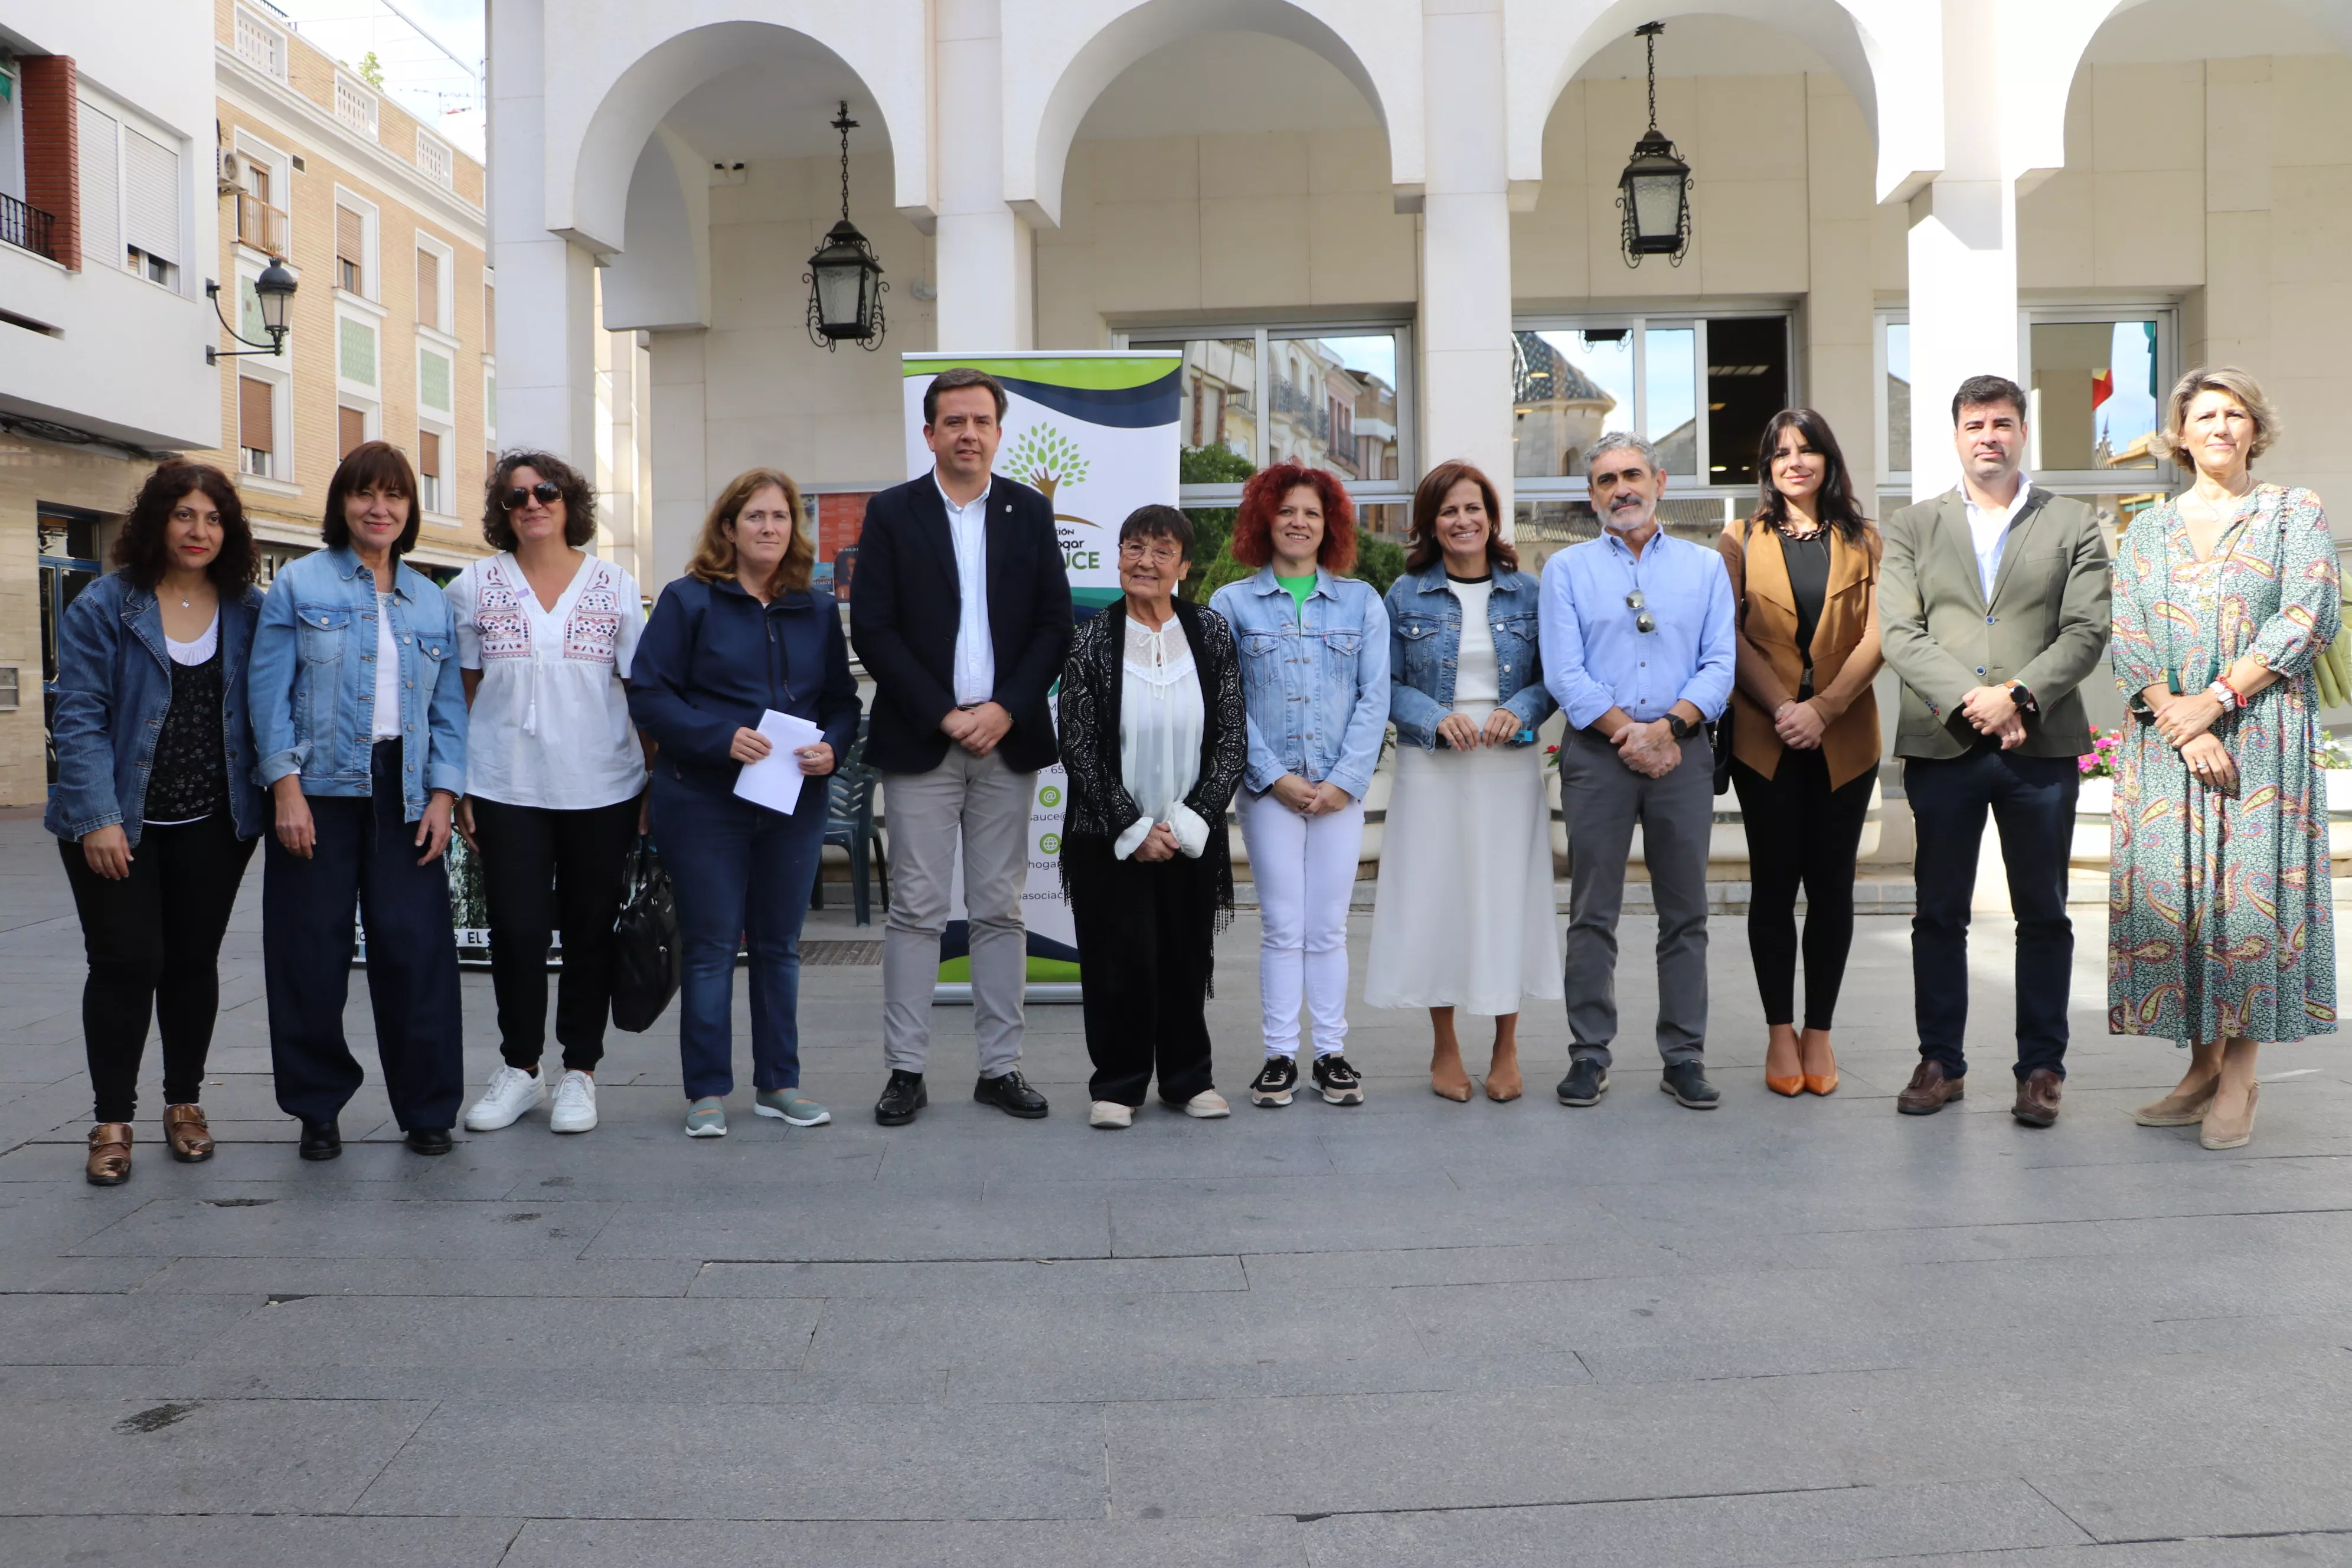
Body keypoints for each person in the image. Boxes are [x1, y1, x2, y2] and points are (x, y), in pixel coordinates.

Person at [2111, 367, 2337, 1151]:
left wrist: (2219, 701)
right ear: (2179, 434)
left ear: (2254, 429)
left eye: (2234, 414)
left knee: (2247, 907)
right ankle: (2201, 1067)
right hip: (2172, 745)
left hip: (2264, 738)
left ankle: (2240, 1078)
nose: (2220, 427)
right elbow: (2129, 634)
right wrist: (2187, 722)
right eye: (2204, 415)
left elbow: (2309, 617)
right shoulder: (2146, 529)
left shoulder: (2291, 512)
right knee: (2183, 905)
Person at [1879, 374, 2111, 1126]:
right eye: (1976, 424)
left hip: (2038, 746)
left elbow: (2086, 630)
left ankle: (2041, 1068)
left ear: (2022, 432)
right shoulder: (1911, 526)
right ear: (1955, 435)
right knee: (1938, 911)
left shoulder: (2072, 522)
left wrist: (2016, 696)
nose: (1990, 436)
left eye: (2003, 423)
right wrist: (1972, 701)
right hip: (1944, 745)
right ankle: (1940, 1061)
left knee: (2042, 911)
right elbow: (1900, 634)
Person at [848, 367, 1073, 1127]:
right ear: (930, 434)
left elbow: (1054, 626)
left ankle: (1000, 1067)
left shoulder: (1029, 512)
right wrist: (947, 714)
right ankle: (906, 1070)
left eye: (981, 421)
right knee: (915, 907)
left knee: (999, 909)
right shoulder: (891, 513)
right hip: (923, 739)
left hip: (1007, 741)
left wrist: (1005, 709)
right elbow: (872, 628)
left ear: (999, 433)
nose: (969, 433)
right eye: (954, 422)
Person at [48, 462, 267, 1184]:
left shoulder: (249, 609)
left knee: (191, 964)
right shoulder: (106, 605)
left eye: (213, 518)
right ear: (157, 523)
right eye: (184, 515)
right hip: (118, 824)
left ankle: (185, 1103)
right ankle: (111, 1119)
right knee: (125, 962)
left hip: (215, 821)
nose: (199, 531)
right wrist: (99, 817)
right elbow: (77, 715)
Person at [249, 442, 467, 1159]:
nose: (381, 509)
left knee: (419, 953)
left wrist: (442, 793)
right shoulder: (300, 585)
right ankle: (318, 1108)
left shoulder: (430, 597)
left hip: (404, 790)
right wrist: (285, 788)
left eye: (396, 496)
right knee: (308, 952)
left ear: (410, 509)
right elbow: (267, 695)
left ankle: (428, 1108)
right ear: (342, 503)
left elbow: (446, 715)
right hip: (317, 790)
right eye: (366, 494)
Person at [628, 469, 860, 1138]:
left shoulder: (814, 608)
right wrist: (718, 737)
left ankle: (778, 1084)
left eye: (781, 517)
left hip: (791, 799)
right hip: (701, 800)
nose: (769, 528)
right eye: (755, 516)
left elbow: (842, 704)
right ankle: (705, 1090)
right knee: (708, 947)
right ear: (727, 528)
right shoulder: (687, 600)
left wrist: (835, 749)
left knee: (781, 946)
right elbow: (649, 694)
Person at [447, 451, 648, 1138]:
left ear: (571, 503)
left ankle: (580, 1072)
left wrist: (651, 788)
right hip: (507, 784)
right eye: (516, 497)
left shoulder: (615, 585)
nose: (532, 504)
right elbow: (462, 691)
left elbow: (637, 691)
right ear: (502, 513)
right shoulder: (473, 586)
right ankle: (521, 1068)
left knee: (592, 931)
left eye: (547, 492)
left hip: (603, 784)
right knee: (519, 930)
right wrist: (463, 784)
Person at [1541, 432, 1736, 1111]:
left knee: (1685, 912)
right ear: (1591, 496)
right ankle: (1589, 1054)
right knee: (1593, 910)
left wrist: (1671, 728)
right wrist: (1631, 733)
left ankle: (1683, 1055)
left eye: (1631, 475)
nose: (1620, 489)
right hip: (1599, 753)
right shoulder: (1567, 571)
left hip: (1683, 751)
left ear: (1659, 481)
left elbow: (1720, 664)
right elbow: (1565, 671)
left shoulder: (1705, 567)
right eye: (1604, 480)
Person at [1366, 459, 1560, 1103]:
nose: (1463, 520)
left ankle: (1507, 1045)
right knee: (1438, 898)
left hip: (1508, 767)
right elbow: (1386, 685)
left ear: (1491, 516)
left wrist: (1520, 710)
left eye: (1473, 508)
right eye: (1448, 511)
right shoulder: (1404, 594)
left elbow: (1553, 676)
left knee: (1507, 898)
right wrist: (1434, 718)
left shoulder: (1529, 592)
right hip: (1433, 767)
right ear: (1431, 523)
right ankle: (1445, 1046)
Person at [1057, 507, 1247, 1128]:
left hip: (1190, 835)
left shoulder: (1211, 633)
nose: (1145, 561)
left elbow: (1231, 741)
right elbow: (1078, 744)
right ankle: (1117, 1083)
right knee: (1118, 961)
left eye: (1162, 551)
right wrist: (1133, 829)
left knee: (1185, 957)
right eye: (1133, 548)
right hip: (1110, 837)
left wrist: (1191, 821)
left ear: (1184, 567)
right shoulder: (1090, 638)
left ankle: (1189, 1078)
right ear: (1116, 558)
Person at [1209, 463, 1389, 1109]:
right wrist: (1276, 778)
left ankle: (1332, 1054)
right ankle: (1280, 1056)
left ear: (1330, 523)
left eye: (1311, 512)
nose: (1298, 521)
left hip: (1340, 794)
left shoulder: (1362, 602)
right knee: (1283, 926)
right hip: (1267, 793)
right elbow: (1226, 703)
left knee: (1329, 927)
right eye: (1286, 510)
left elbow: (1376, 699)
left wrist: (1343, 782)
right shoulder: (1231, 604)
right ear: (1265, 518)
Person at [1717, 410, 1883, 1098]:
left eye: (1808, 449)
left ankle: (1820, 1030)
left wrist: (1824, 707)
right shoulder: (1738, 539)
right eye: (1781, 451)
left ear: (1828, 460)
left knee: (1833, 887)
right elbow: (1723, 635)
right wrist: (1787, 709)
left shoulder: (1866, 539)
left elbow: (1883, 633)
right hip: (1768, 736)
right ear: (1767, 466)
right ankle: (1779, 1031)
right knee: (1775, 886)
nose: (1795, 462)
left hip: (1844, 735)